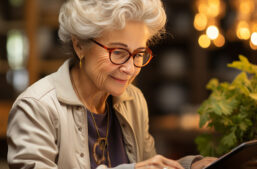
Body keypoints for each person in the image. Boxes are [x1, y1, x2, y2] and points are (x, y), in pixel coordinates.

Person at [6, 0, 217, 168]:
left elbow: (148, 166)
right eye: (117, 52)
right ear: (79, 45)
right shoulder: (35, 108)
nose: (130, 68)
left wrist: (192, 165)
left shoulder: (134, 100)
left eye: (139, 54)